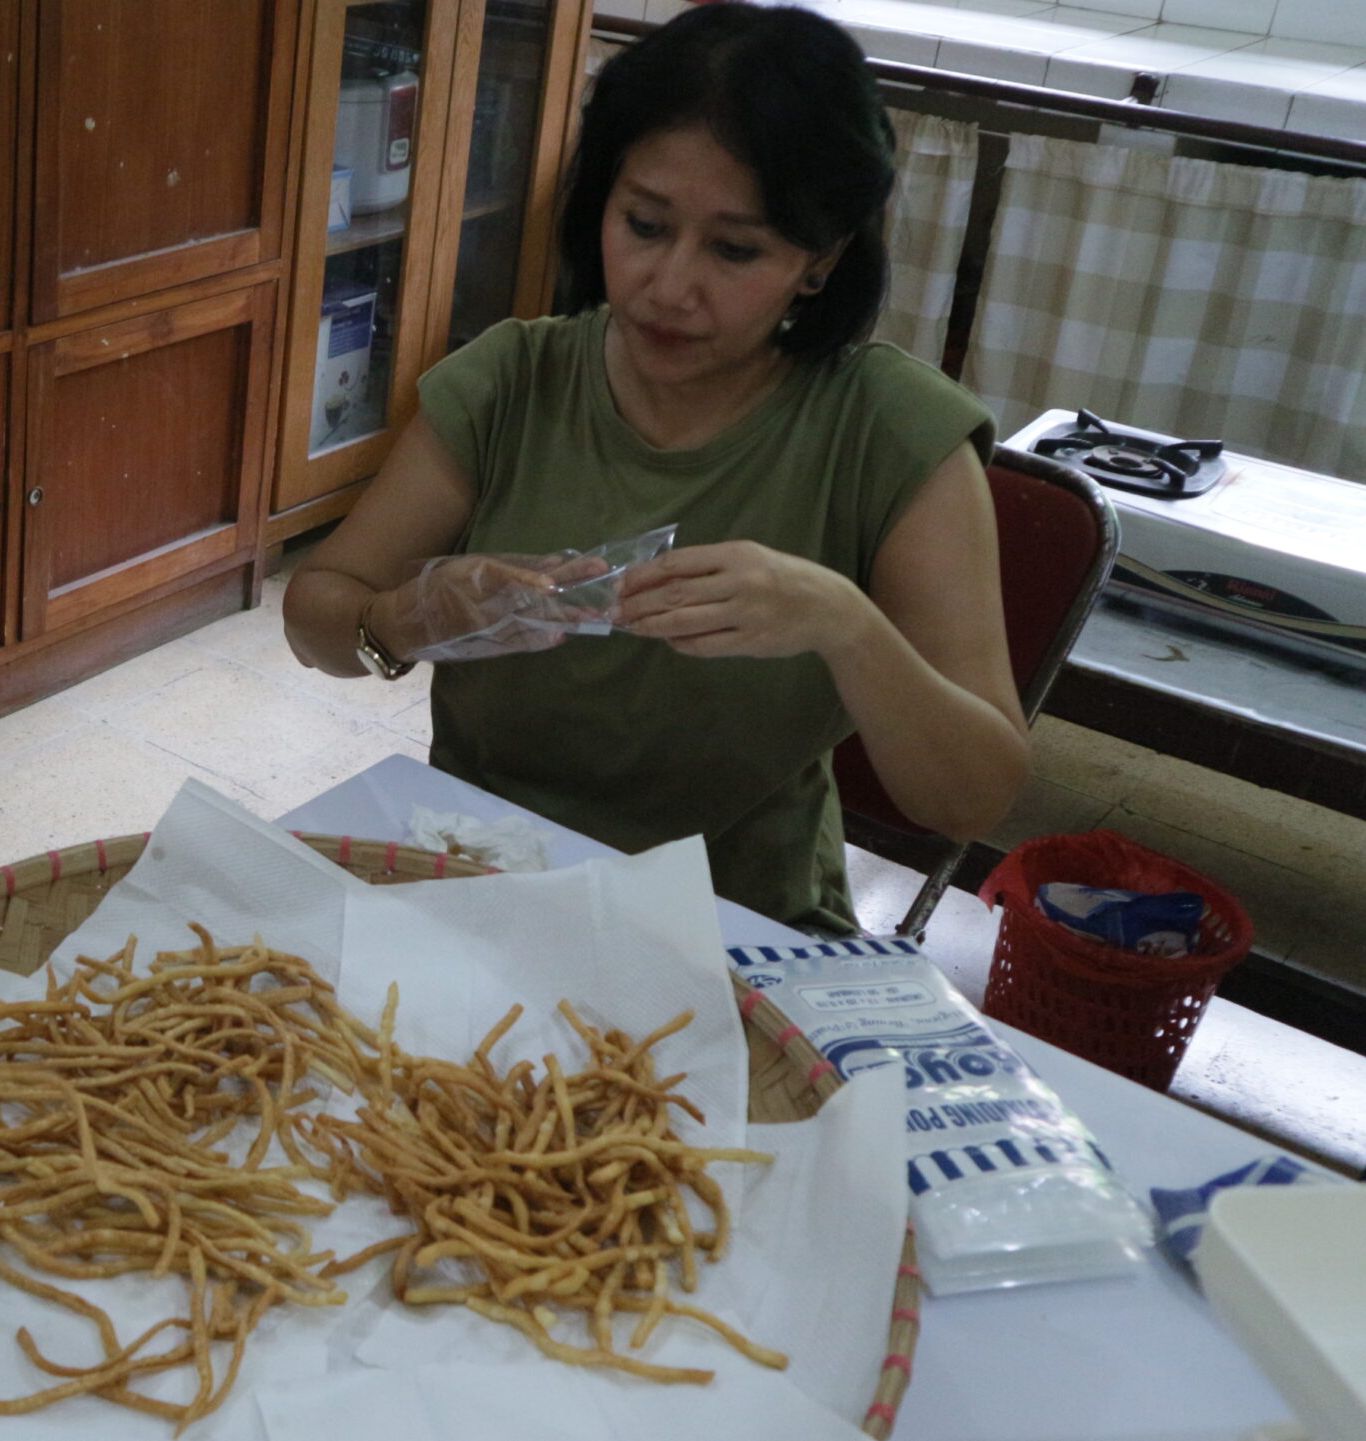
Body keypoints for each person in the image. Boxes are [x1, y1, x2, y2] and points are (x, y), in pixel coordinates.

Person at [283, 4, 1027, 934]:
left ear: (820, 259)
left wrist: (845, 625)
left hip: (740, 931)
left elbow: (972, 798)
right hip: (481, 892)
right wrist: (398, 618)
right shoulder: (512, 381)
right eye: (643, 224)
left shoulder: (892, 434)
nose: (670, 286)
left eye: (735, 249)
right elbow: (315, 614)